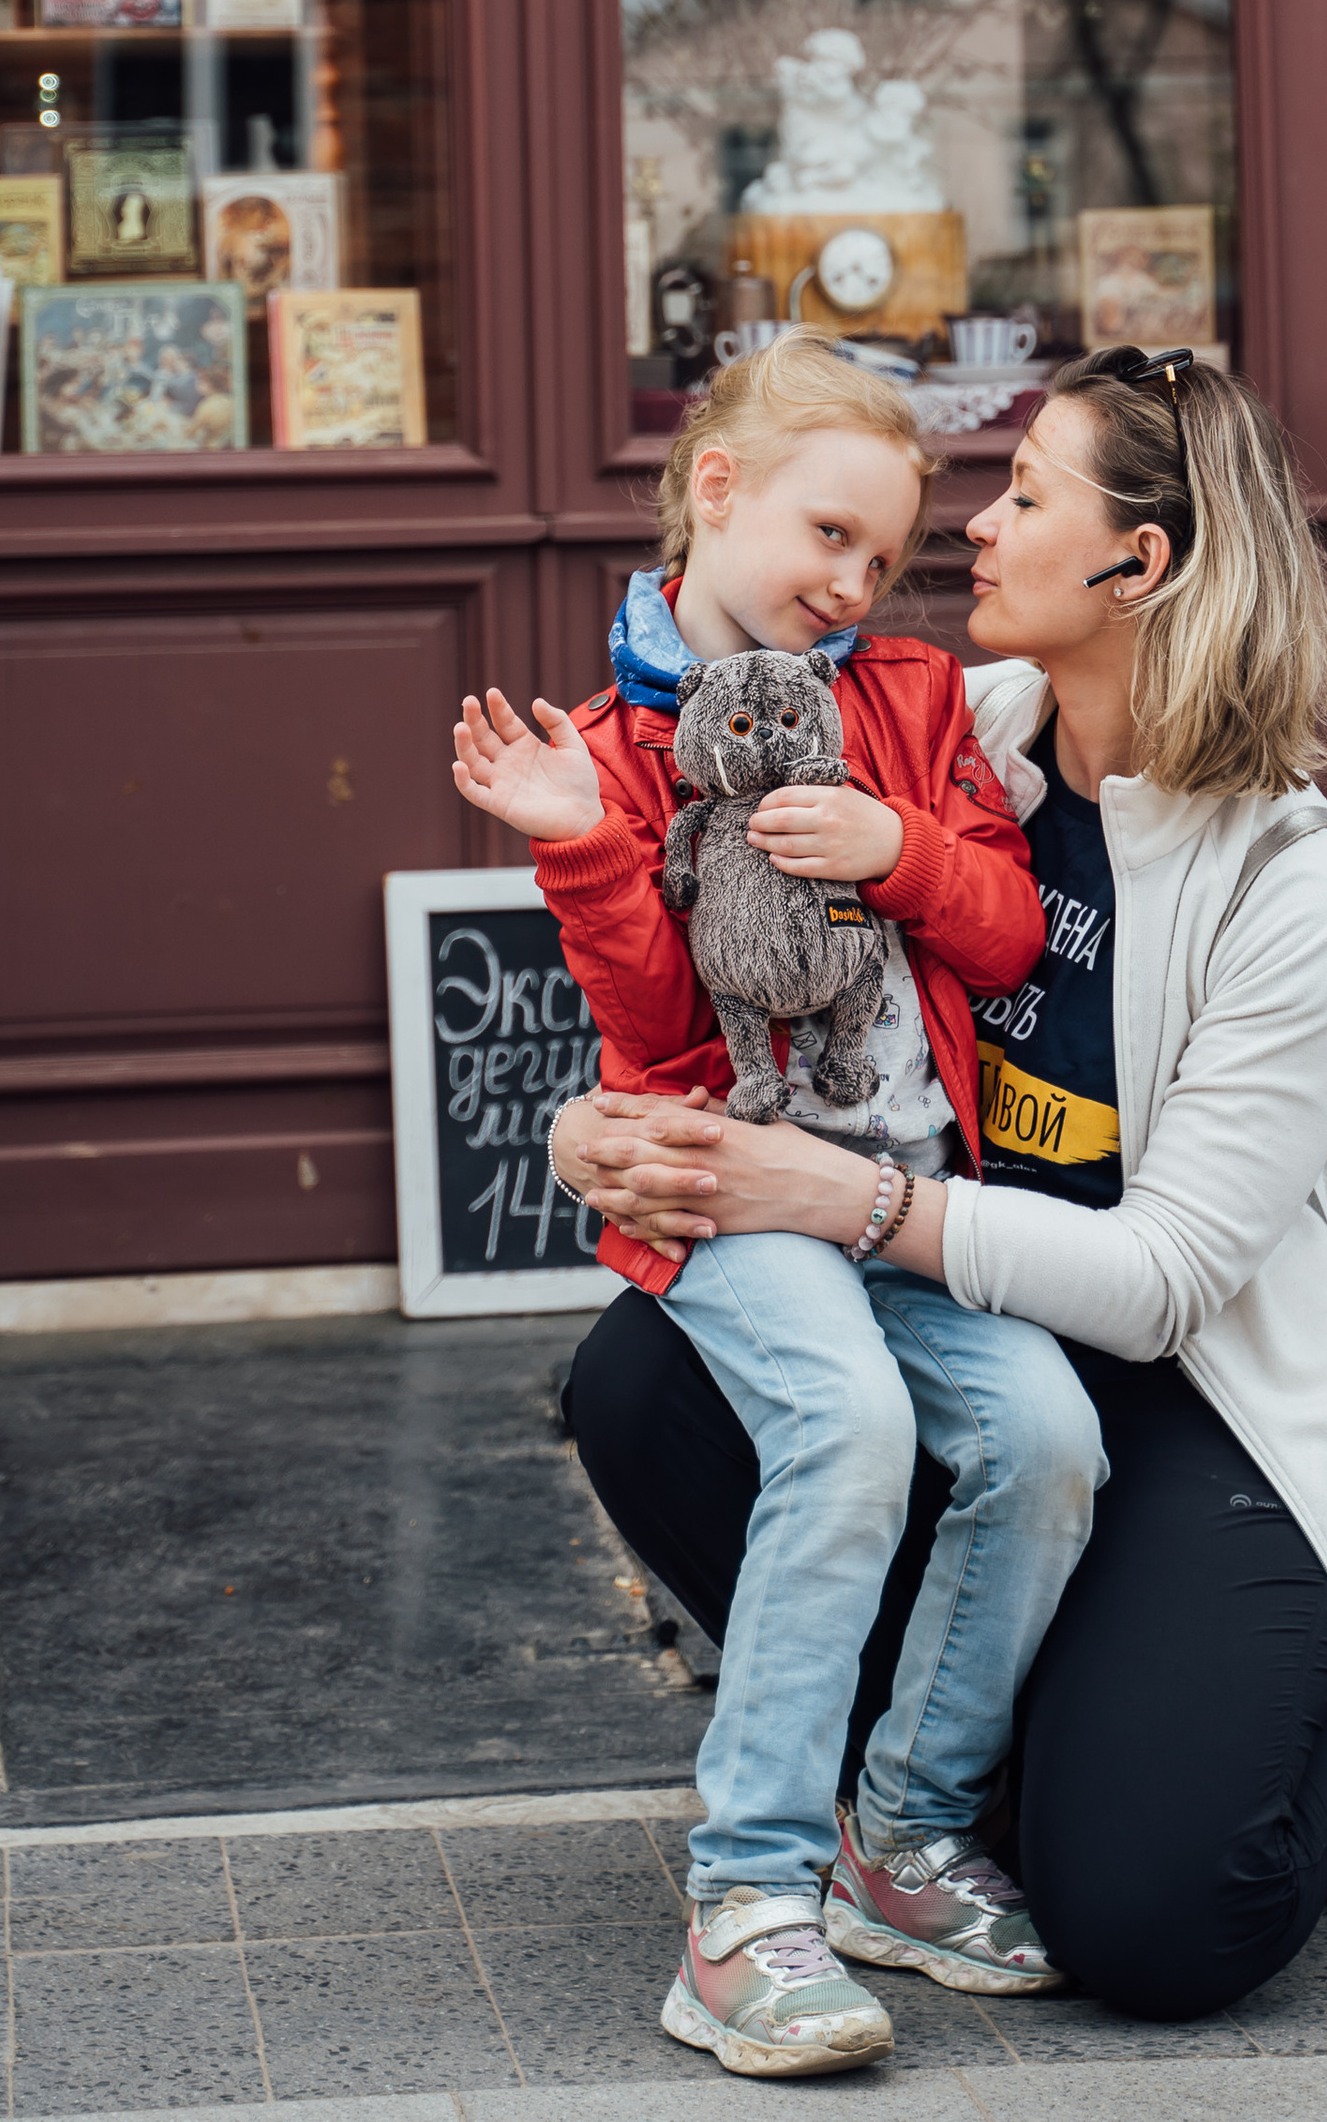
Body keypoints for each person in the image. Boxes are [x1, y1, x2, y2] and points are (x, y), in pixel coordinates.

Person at [551, 346, 1327, 2030]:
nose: (974, 526)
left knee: (1154, 1927)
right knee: (640, 1374)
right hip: (971, 1323)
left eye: (1029, 494)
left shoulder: (1290, 880)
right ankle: (920, 1806)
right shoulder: (943, 729)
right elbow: (721, 973)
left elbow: (1166, 1282)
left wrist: (847, 1206)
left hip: (1195, 1392)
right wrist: (592, 1133)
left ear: (1140, 562)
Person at [451, 332, 1106, 2080]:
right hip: (732, 1191)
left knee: (1048, 1438)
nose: (852, 584)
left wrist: (899, 851)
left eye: (882, 557)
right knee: (849, 1427)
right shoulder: (609, 745)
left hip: (902, 1187)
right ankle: (745, 1903)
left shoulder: (911, 696)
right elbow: (660, 1033)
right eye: (829, 534)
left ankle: (904, 1840)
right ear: (717, 488)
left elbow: (1009, 935)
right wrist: (584, 845)